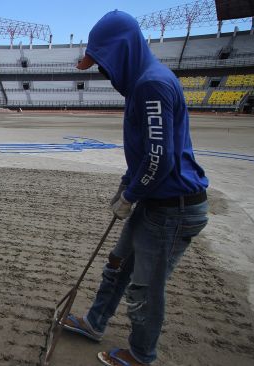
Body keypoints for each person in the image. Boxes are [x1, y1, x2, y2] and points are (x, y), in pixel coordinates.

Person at [62, 10, 209, 366]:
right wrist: (127, 184)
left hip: (174, 207)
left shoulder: (151, 84)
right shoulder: (143, 82)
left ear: (121, 52)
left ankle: (142, 355)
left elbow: (160, 158)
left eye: (102, 64)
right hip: (155, 198)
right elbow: (148, 153)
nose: (102, 72)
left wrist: (131, 195)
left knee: (144, 286)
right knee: (117, 262)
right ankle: (95, 322)